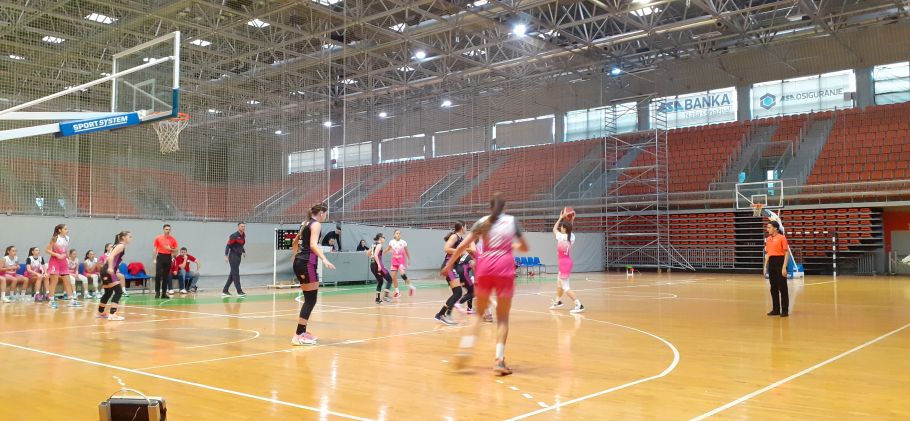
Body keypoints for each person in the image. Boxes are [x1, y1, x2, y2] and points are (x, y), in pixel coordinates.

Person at [441, 193, 528, 376]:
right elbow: (525, 247)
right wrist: (512, 246)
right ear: (505, 208)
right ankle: (499, 361)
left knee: (478, 313)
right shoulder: (511, 221)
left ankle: (465, 349)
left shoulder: (481, 222)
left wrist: (449, 265)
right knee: (502, 318)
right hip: (504, 266)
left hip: (485, 267)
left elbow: (462, 246)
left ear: (490, 207)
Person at [291, 203, 336, 346]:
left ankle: (302, 332)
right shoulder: (316, 224)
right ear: (321, 213)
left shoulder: (305, 223)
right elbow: (312, 245)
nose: (326, 216)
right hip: (307, 264)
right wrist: (325, 259)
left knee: (309, 299)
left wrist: (295, 255)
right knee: (310, 300)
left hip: (300, 262)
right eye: (326, 213)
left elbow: (295, 241)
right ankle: (298, 335)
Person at [550, 210, 584, 313]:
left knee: (566, 287)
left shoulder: (561, 237)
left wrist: (560, 218)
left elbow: (554, 229)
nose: (560, 228)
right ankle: (558, 301)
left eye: (562, 227)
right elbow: (570, 229)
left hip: (564, 264)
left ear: (564, 229)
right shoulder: (571, 237)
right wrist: (572, 220)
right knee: (559, 283)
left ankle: (579, 305)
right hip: (566, 262)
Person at [435, 222, 470, 325]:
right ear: (462, 227)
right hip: (448, 266)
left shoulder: (461, 239)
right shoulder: (455, 236)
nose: (466, 228)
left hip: (453, 266)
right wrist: (460, 251)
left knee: (458, 292)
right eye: (466, 226)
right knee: (458, 292)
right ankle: (441, 315)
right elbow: (446, 249)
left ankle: (441, 314)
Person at [98, 231, 131, 321]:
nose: (131, 238)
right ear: (123, 237)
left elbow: (108, 258)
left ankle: (101, 312)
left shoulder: (116, 245)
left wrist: (107, 268)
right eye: (130, 236)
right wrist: (110, 268)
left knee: (108, 292)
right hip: (108, 270)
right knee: (118, 291)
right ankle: (112, 314)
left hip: (104, 270)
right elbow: (111, 256)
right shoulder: (121, 246)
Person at [46, 224, 80, 308]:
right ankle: (51, 301)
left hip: (63, 261)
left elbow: (65, 250)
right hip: (55, 261)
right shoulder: (55, 238)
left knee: (67, 281)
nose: (67, 230)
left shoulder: (67, 238)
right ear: (59, 230)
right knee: (54, 281)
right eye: (65, 229)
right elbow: (47, 250)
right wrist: (57, 255)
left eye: (67, 229)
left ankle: (71, 300)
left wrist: (68, 258)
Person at [764, 220, 791, 317]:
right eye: (767, 227)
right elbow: (768, 253)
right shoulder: (768, 239)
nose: (767, 229)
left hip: (780, 261)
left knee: (782, 287)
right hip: (771, 263)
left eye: (769, 227)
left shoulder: (782, 238)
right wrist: (765, 266)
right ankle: (776, 309)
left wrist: (784, 267)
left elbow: (786, 253)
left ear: (775, 228)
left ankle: (785, 310)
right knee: (773, 287)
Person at [385, 230, 415, 299]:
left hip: (401, 261)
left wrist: (409, 259)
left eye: (399, 233)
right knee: (393, 277)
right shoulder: (391, 242)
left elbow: (407, 251)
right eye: (397, 233)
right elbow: (388, 249)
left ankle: (411, 286)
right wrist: (383, 252)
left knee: (402, 274)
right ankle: (397, 292)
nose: (398, 234)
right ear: (394, 235)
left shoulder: (403, 242)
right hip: (394, 261)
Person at [153, 224, 178, 299]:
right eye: (166, 229)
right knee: (158, 275)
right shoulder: (158, 238)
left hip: (168, 257)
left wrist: (170, 249)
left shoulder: (173, 239)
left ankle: (164, 293)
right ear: (163, 229)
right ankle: (157, 292)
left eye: (169, 229)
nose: (168, 231)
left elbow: (176, 250)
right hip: (160, 257)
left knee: (166, 276)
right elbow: (155, 249)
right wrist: (154, 259)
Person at [223, 222, 247, 298]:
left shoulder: (243, 235)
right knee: (236, 274)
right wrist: (226, 255)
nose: (243, 227)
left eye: (244, 226)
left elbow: (241, 245)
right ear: (238, 227)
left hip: (239, 256)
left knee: (232, 274)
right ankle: (239, 291)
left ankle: (225, 290)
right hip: (233, 256)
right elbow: (228, 245)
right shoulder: (234, 235)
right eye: (241, 226)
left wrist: (243, 252)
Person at [370, 233, 394, 304]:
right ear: (380, 238)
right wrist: (379, 265)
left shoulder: (373, 244)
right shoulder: (379, 245)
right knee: (389, 279)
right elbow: (375, 255)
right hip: (377, 265)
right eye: (384, 237)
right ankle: (386, 296)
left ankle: (377, 299)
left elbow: (368, 253)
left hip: (372, 265)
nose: (384, 239)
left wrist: (388, 250)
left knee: (380, 281)